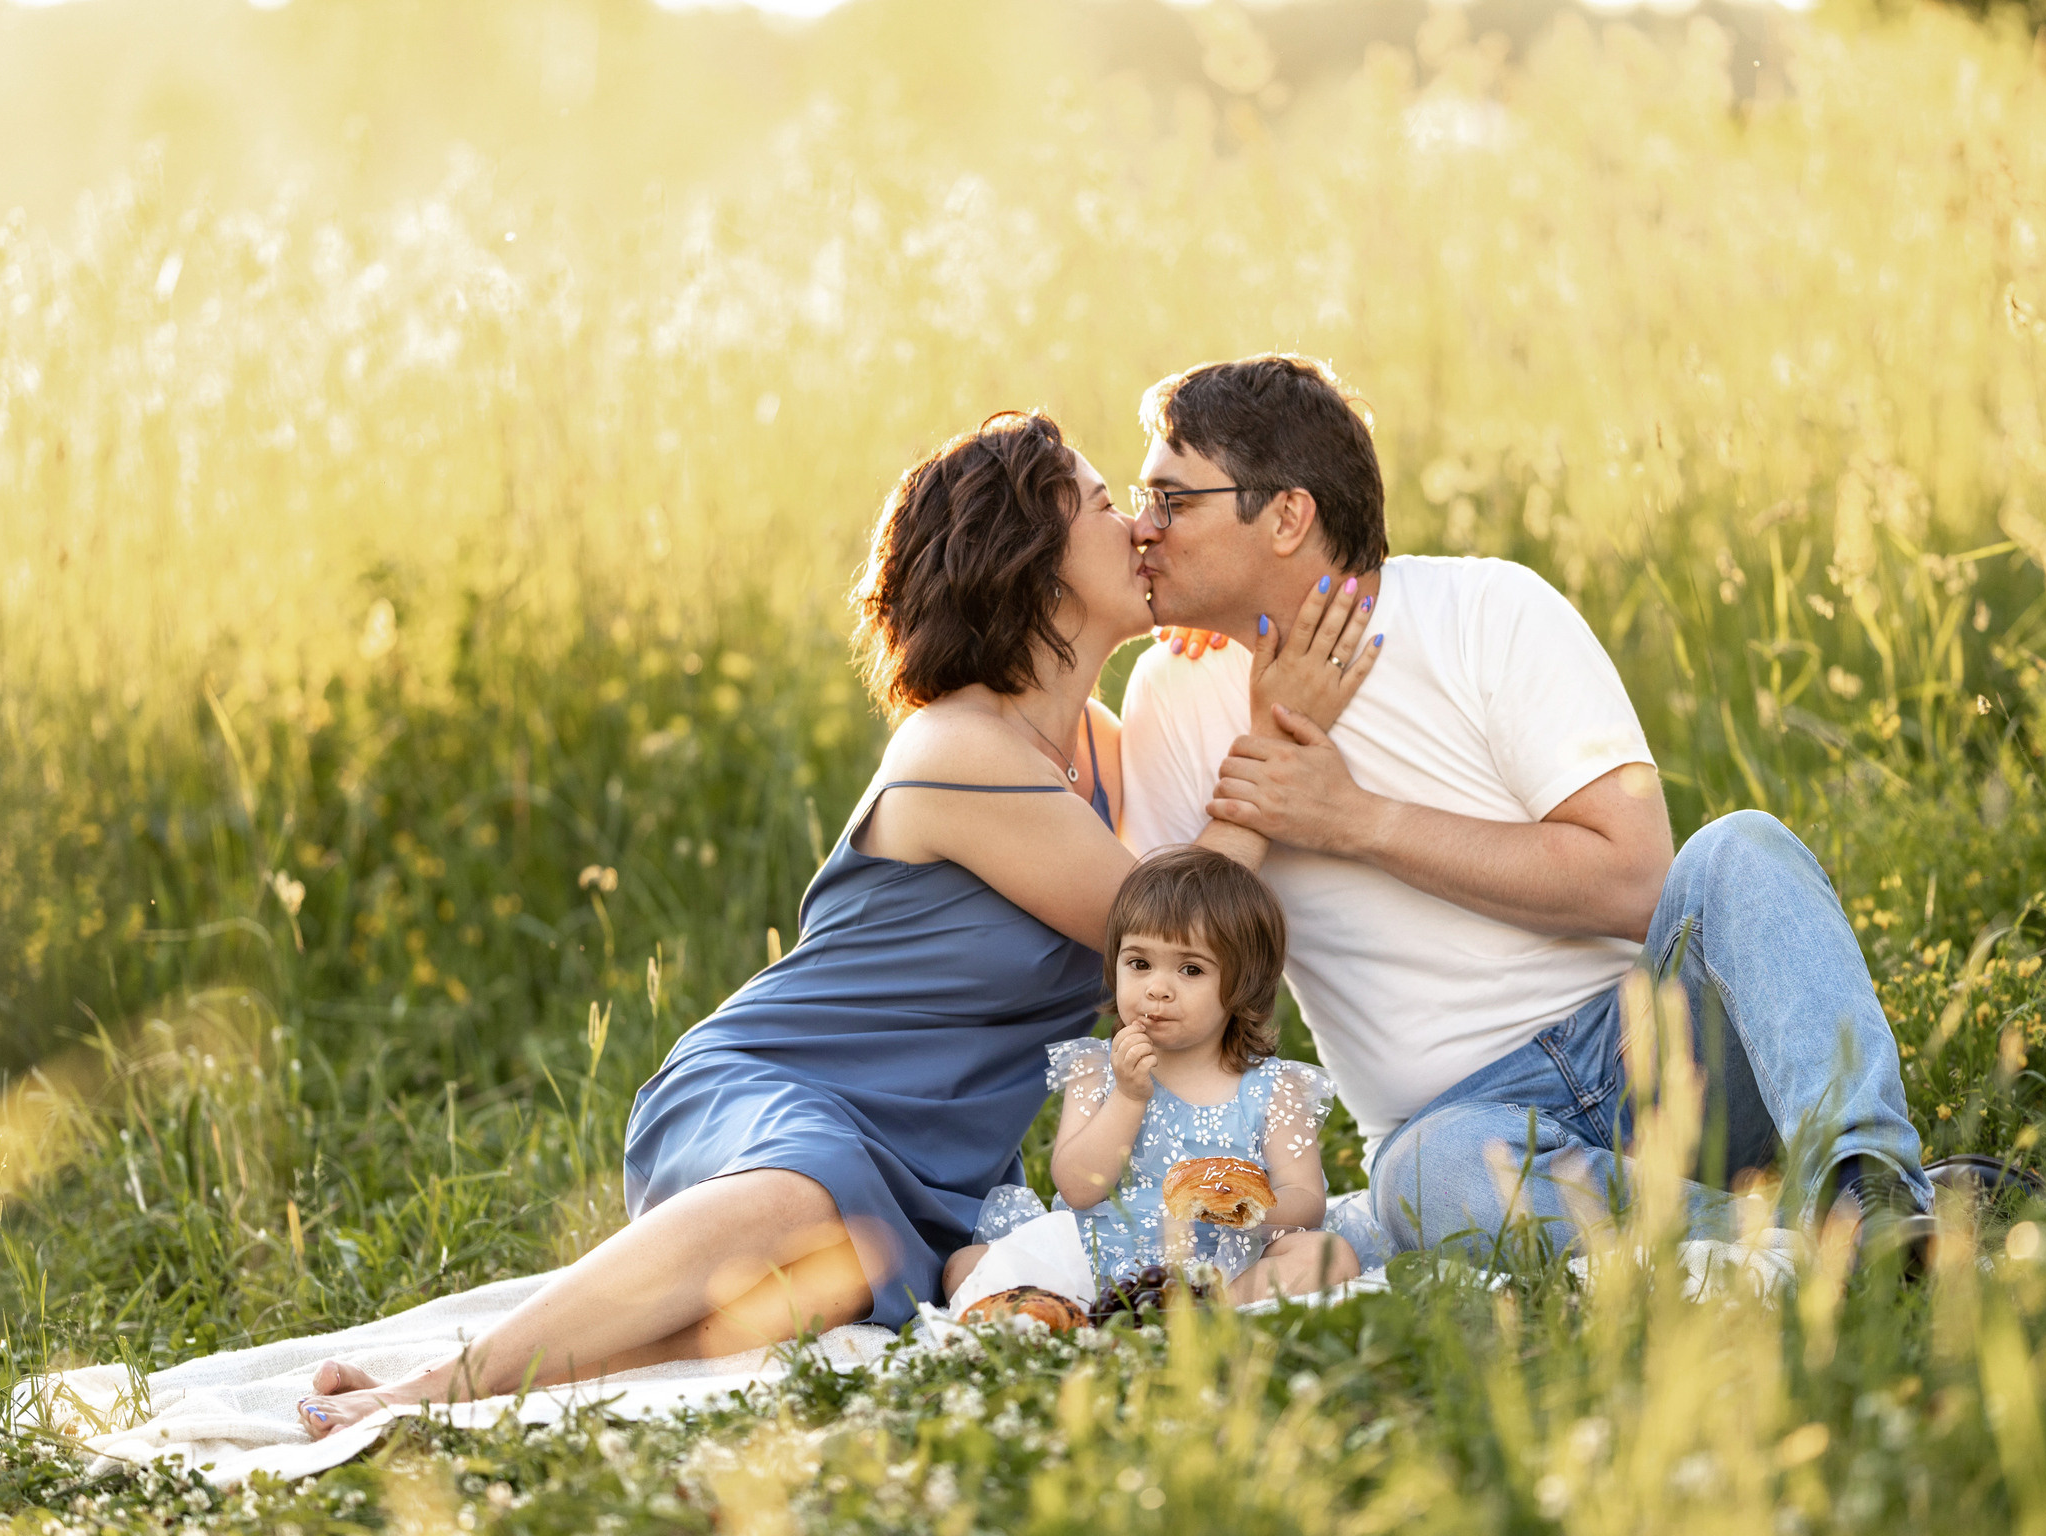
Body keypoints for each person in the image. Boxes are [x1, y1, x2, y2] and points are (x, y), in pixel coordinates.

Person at [301, 411, 1380, 1439]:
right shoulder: (957, 748)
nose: (1142, 525)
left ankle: (477, 1379)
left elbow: (1185, 951)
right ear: (1035, 561)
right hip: (781, 1090)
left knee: (797, 1307)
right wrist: (1279, 734)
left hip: (934, 1165)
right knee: (800, 1202)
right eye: (1105, 505)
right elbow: (1171, 928)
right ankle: (430, 1388)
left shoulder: (1098, 743)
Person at [1114, 354, 1935, 1272]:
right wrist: (1273, 754)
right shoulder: (1173, 692)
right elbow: (1166, 982)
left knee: (1742, 850)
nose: (1139, 531)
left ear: (1287, 515)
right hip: (1465, 1131)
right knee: (1421, 1179)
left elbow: (1632, 881)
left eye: (1171, 502)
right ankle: (1808, 1242)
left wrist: (1357, 820)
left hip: (1651, 1047)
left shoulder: (1488, 610)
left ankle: (1873, 1188)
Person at [943, 847, 1357, 1308]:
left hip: (1220, 1269)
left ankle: (1205, 1313)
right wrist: (1128, 1097)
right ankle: (1076, 1315)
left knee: (1327, 1254)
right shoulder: (1097, 1070)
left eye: (1191, 969)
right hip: (1092, 1265)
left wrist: (1243, 1206)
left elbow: (1306, 1202)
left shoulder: (1273, 1088)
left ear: (1244, 985)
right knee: (966, 1265)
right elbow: (1078, 1189)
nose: (1157, 987)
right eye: (1140, 963)